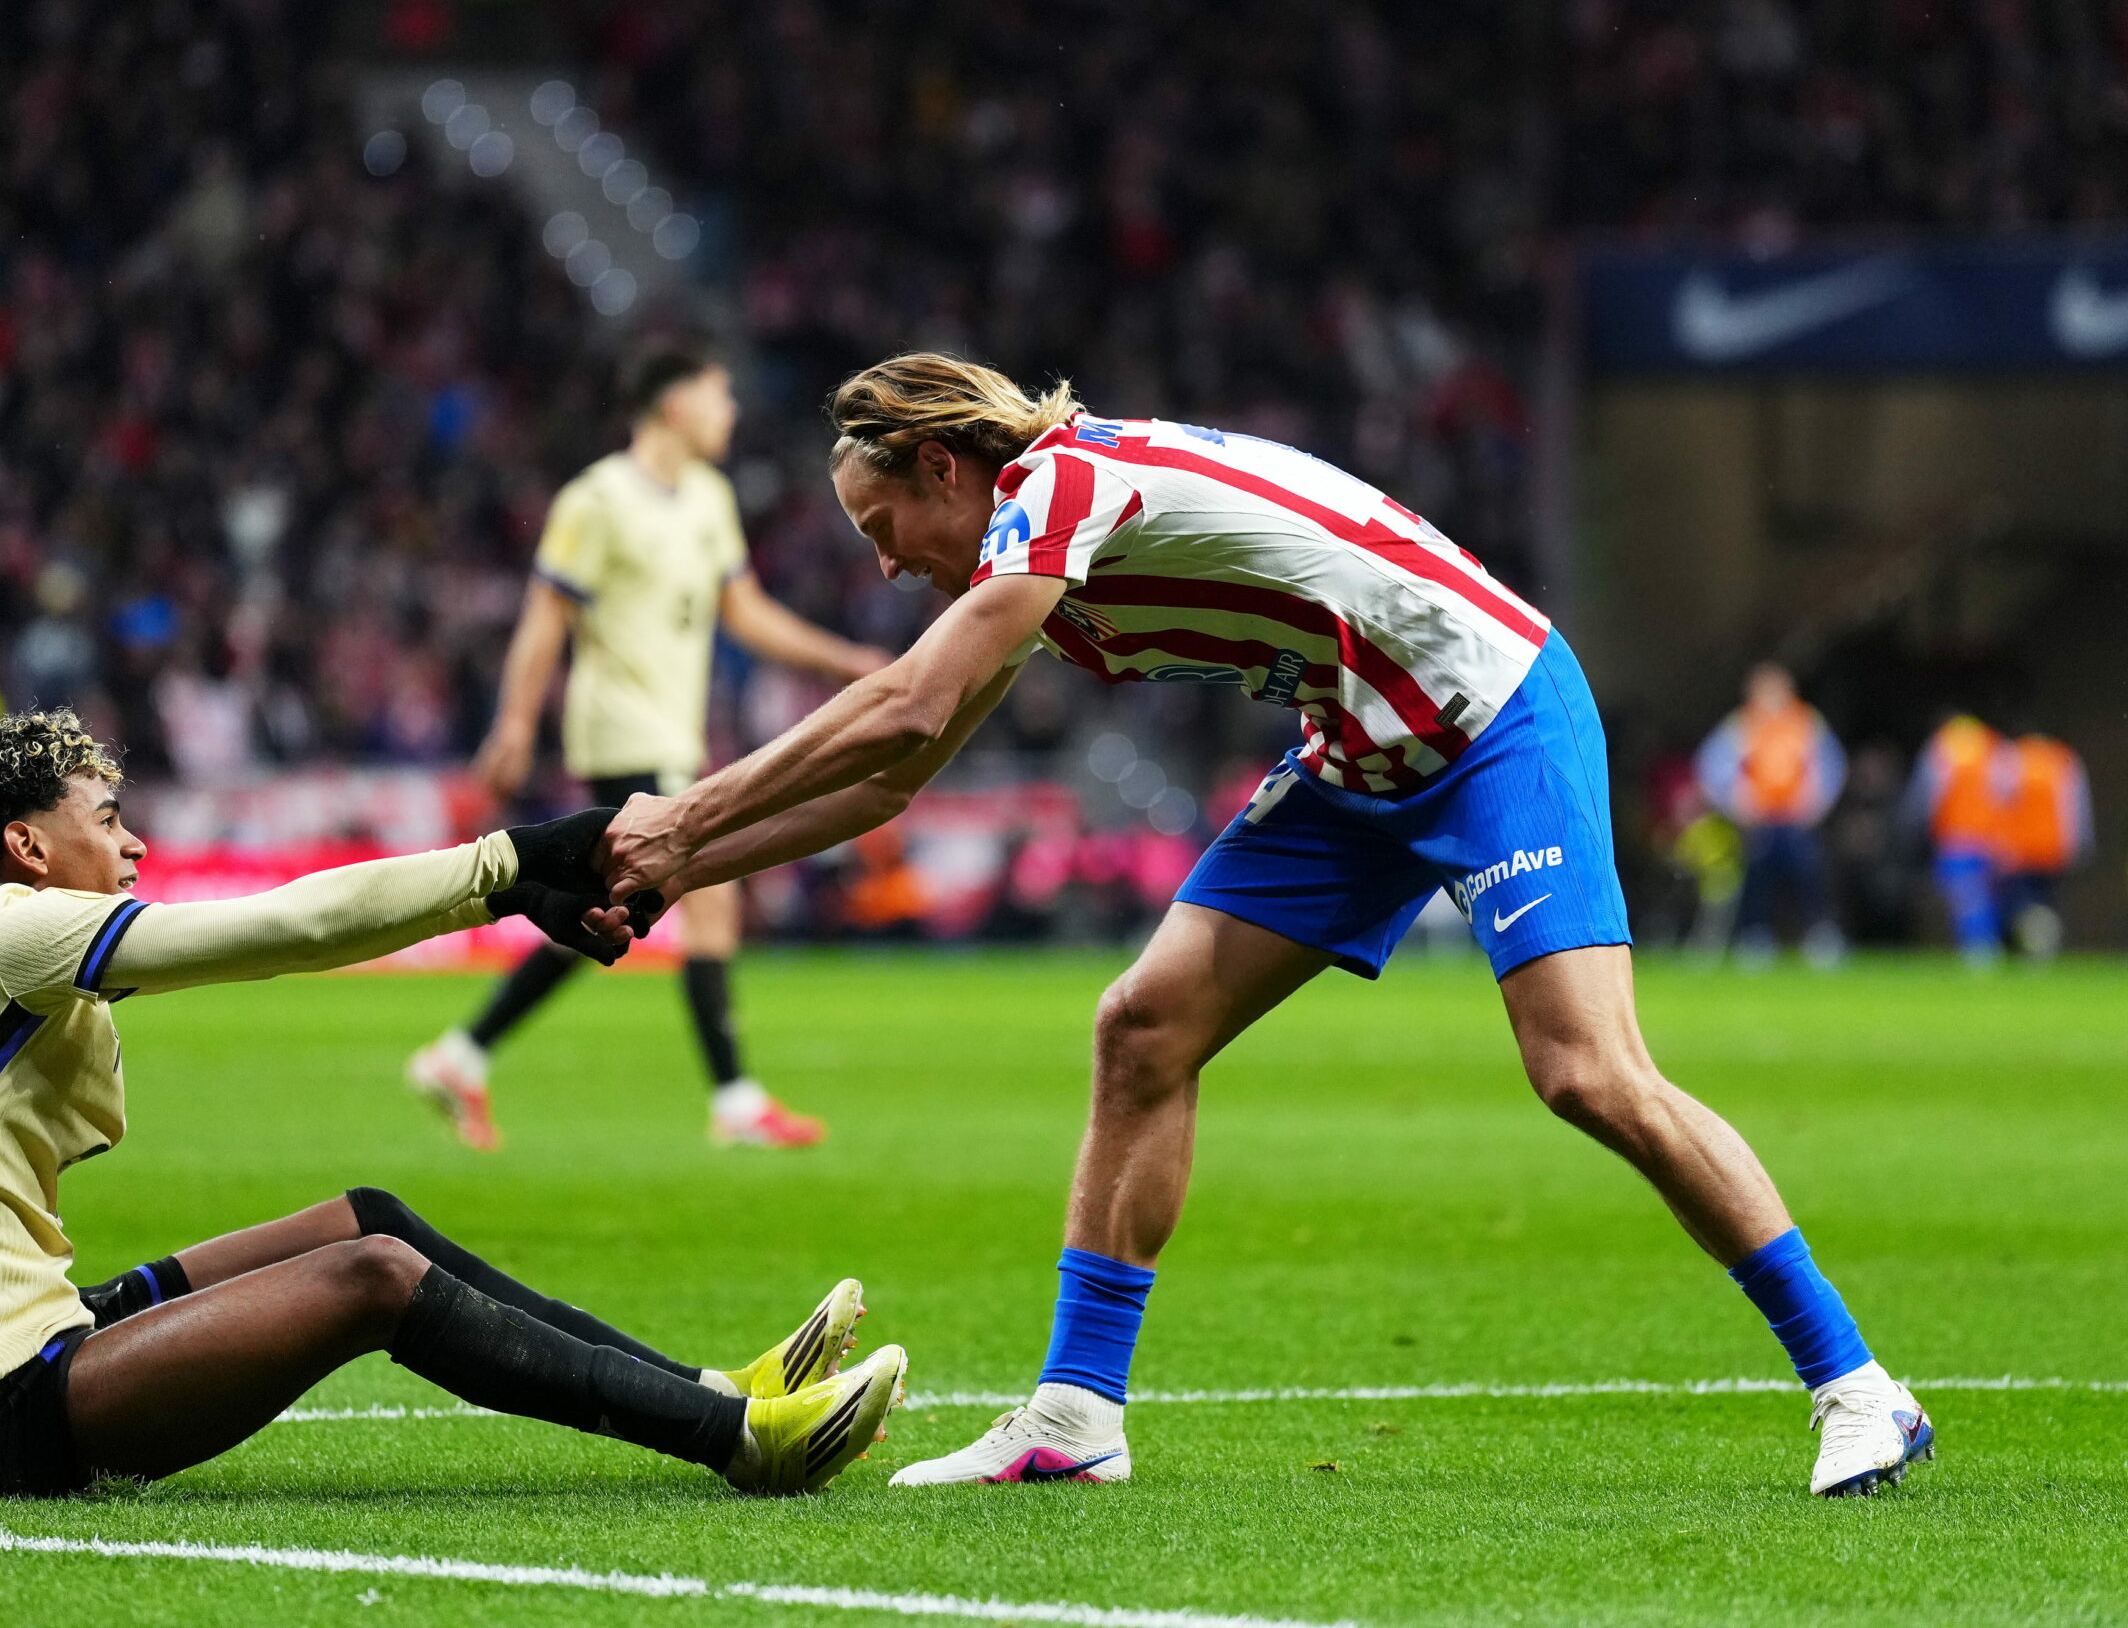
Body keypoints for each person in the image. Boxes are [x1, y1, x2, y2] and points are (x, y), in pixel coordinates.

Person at [598, 354, 1929, 1499]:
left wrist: (683, 815)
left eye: (884, 526)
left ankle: (1859, 1386)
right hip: (1357, 754)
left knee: (1586, 1071)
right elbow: (896, 779)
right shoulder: (1033, 551)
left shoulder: (1058, 488)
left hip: (1494, 720)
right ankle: (1074, 1416)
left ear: (945, 468)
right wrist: (680, 862)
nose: (886, 563)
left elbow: (902, 707)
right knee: (1142, 1025)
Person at [0, 709, 904, 1500]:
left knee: (364, 1217)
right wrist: (513, 861)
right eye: (109, 821)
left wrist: (515, 894)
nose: (136, 846)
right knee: (373, 1277)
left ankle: (715, 1386)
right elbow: (291, 927)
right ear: (27, 847)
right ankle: (740, 1440)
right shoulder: (17, 932)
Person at [408, 347, 888, 1151]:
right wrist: (515, 723)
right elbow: (545, 616)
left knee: (607, 913)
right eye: (717, 394)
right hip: (622, 730)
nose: (730, 409)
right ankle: (735, 1100)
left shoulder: (708, 497)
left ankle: (461, 1055)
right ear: (673, 403)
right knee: (707, 891)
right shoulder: (596, 500)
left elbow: (746, 612)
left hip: (674, 732)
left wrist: (845, 663)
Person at [1694, 663, 1846, 968]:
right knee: (1757, 875)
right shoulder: (1741, 724)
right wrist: (1736, 801)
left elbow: (1830, 765)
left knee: (1808, 872)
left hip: (1796, 819)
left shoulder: (1805, 721)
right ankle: (1755, 935)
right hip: (1759, 820)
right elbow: (1712, 767)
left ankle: (1819, 934)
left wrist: (1816, 802)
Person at [1906, 713, 2009, 969]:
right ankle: (1986, 945)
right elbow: (2008, 792)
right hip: (1989, 838)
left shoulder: (1943, 745)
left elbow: (1928, 791)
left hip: (1955, 836)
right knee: (1985, 895)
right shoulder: (1993, 743)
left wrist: (1916, 822)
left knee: (1965, 895)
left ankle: (1978, 948)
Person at [1995, 729, 2092, 962]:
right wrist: (2079, 843)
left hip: (2021, 849)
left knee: (2023, 902)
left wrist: (1997, 842)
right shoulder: (2063, 759)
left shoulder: (2012, 758)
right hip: (2052, 848)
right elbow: (2075, 807)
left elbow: (1999, 802)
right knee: (2046, 901)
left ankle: (2032, 947)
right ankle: (2041, 947)